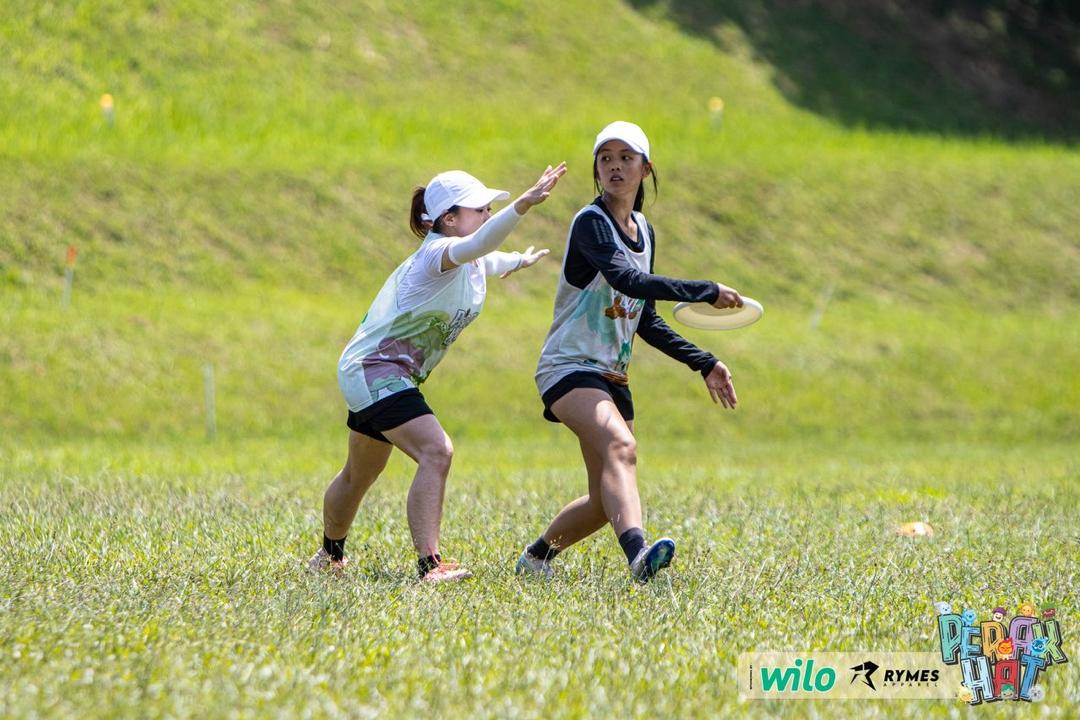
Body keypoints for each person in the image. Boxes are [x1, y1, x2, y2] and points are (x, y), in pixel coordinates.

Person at [309, 162, 566, 582]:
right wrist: (522, 205)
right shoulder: (436, 255)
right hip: (375, 369)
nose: (486, 214)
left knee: (360, 474)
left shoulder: (472, 260)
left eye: (489, 208)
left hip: (384, 373)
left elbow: (490, 257)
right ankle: (430, 565)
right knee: (436, 451)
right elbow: (482, 243)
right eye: (479, 208)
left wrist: (520, 260)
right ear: (449, 219)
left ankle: (328, 557)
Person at [516, 121, 741, 582]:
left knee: (603, 502)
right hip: (569, 367)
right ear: (597, 171)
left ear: (646, 168)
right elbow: (628, 281)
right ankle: (639, 558)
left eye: (626, 157)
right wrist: (705, 290)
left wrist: (705, 362)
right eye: (605, 158)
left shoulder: (645, 231)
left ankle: (535, 559)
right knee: (622, 445)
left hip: (613, 375)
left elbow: (645, 316)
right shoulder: (590, 223)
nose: (615, 165)